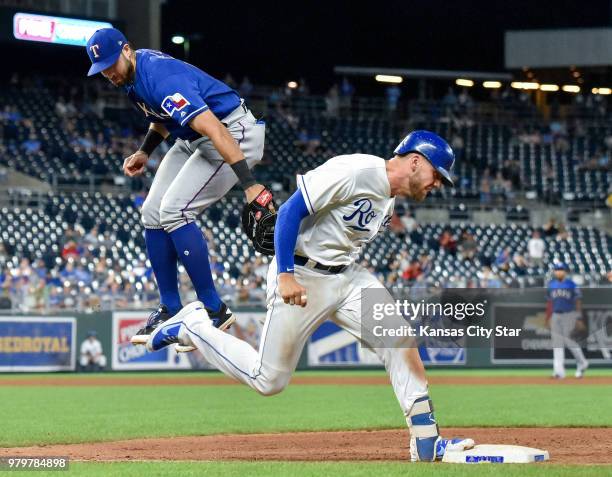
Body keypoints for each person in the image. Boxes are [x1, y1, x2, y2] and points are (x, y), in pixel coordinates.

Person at [145, 130, 474, 462]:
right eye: (437, 176)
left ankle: (426, 442)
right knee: (268, 380)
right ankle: (193, 325)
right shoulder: (355, 170)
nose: (438, 185)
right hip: (301, 275)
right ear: (416, 161)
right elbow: (290, 211)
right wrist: (286, 274)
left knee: (399, 339)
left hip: (347, 277)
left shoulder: (388, 199)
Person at [85, 28, 270, 343]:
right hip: (194, 138)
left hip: (232, 133)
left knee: (175, 211)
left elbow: (213, 127)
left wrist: (249, 185)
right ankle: (170, 306)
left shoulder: (159, 76)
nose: (108, 75)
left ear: (127, 50)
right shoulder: (131, 77)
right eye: (102, 71)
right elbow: (163, 117)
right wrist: (146, 150)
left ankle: (214, 309)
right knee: (152, 212)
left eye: (111, 66)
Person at [546, 263, 589, 379]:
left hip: (569, 314)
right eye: (557, 270)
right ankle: (559, 372)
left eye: (561, 270)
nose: (559, 272)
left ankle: (582, 363)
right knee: (557, 344)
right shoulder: (551, 285)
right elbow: (550, 302)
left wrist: (579, 317)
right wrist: (549, 316)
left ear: (565, 272)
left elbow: (578, 301)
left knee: (569, 341)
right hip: (556, 315)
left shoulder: (571, 284)